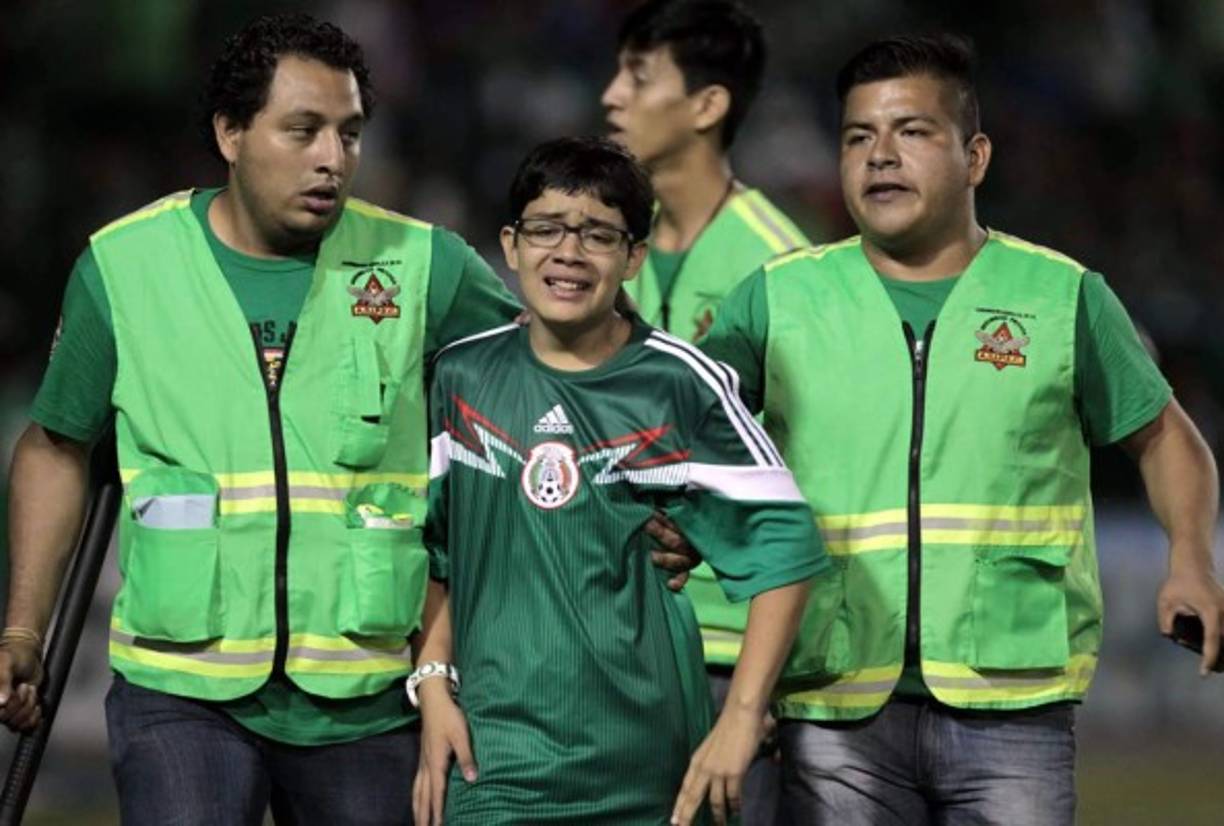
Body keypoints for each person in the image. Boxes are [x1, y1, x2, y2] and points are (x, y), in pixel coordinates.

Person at [0, 13, 526, 825]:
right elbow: (56, 446)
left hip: (367, 695)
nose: (332, 158)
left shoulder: (426, 266)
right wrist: (24, 632)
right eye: (303, 130)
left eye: (349, 134)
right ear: (231, 133)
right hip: (182, 691)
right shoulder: (124, 267)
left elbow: (559, 381)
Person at [700, 33, 1224, 825]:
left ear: (974, 157)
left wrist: (1191, 558)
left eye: (911, 133)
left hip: (1012, 701)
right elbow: (685, 433)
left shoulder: (1061, 296)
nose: (880, 156)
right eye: (857, 137)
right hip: (833, 700)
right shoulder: (775, 299)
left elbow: (1165, 438)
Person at [410, 136, 826, 826]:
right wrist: (432, 690)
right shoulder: (461, 377)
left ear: (634, 256)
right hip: (494, 765)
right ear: (510, 244)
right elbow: (439, 553)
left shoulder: (679, 383)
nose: (568, 253)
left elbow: (786, 553)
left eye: (599, 235)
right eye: (546, 229)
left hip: (648, 770)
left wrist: (740, 718)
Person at [602, 5, 813, 819]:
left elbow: (803, 474)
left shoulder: (778, 264)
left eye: (640, 75)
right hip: (608, 644)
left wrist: (755, 698)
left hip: (723, 652)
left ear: (707, 105)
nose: (612, 96)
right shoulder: (599, 247)